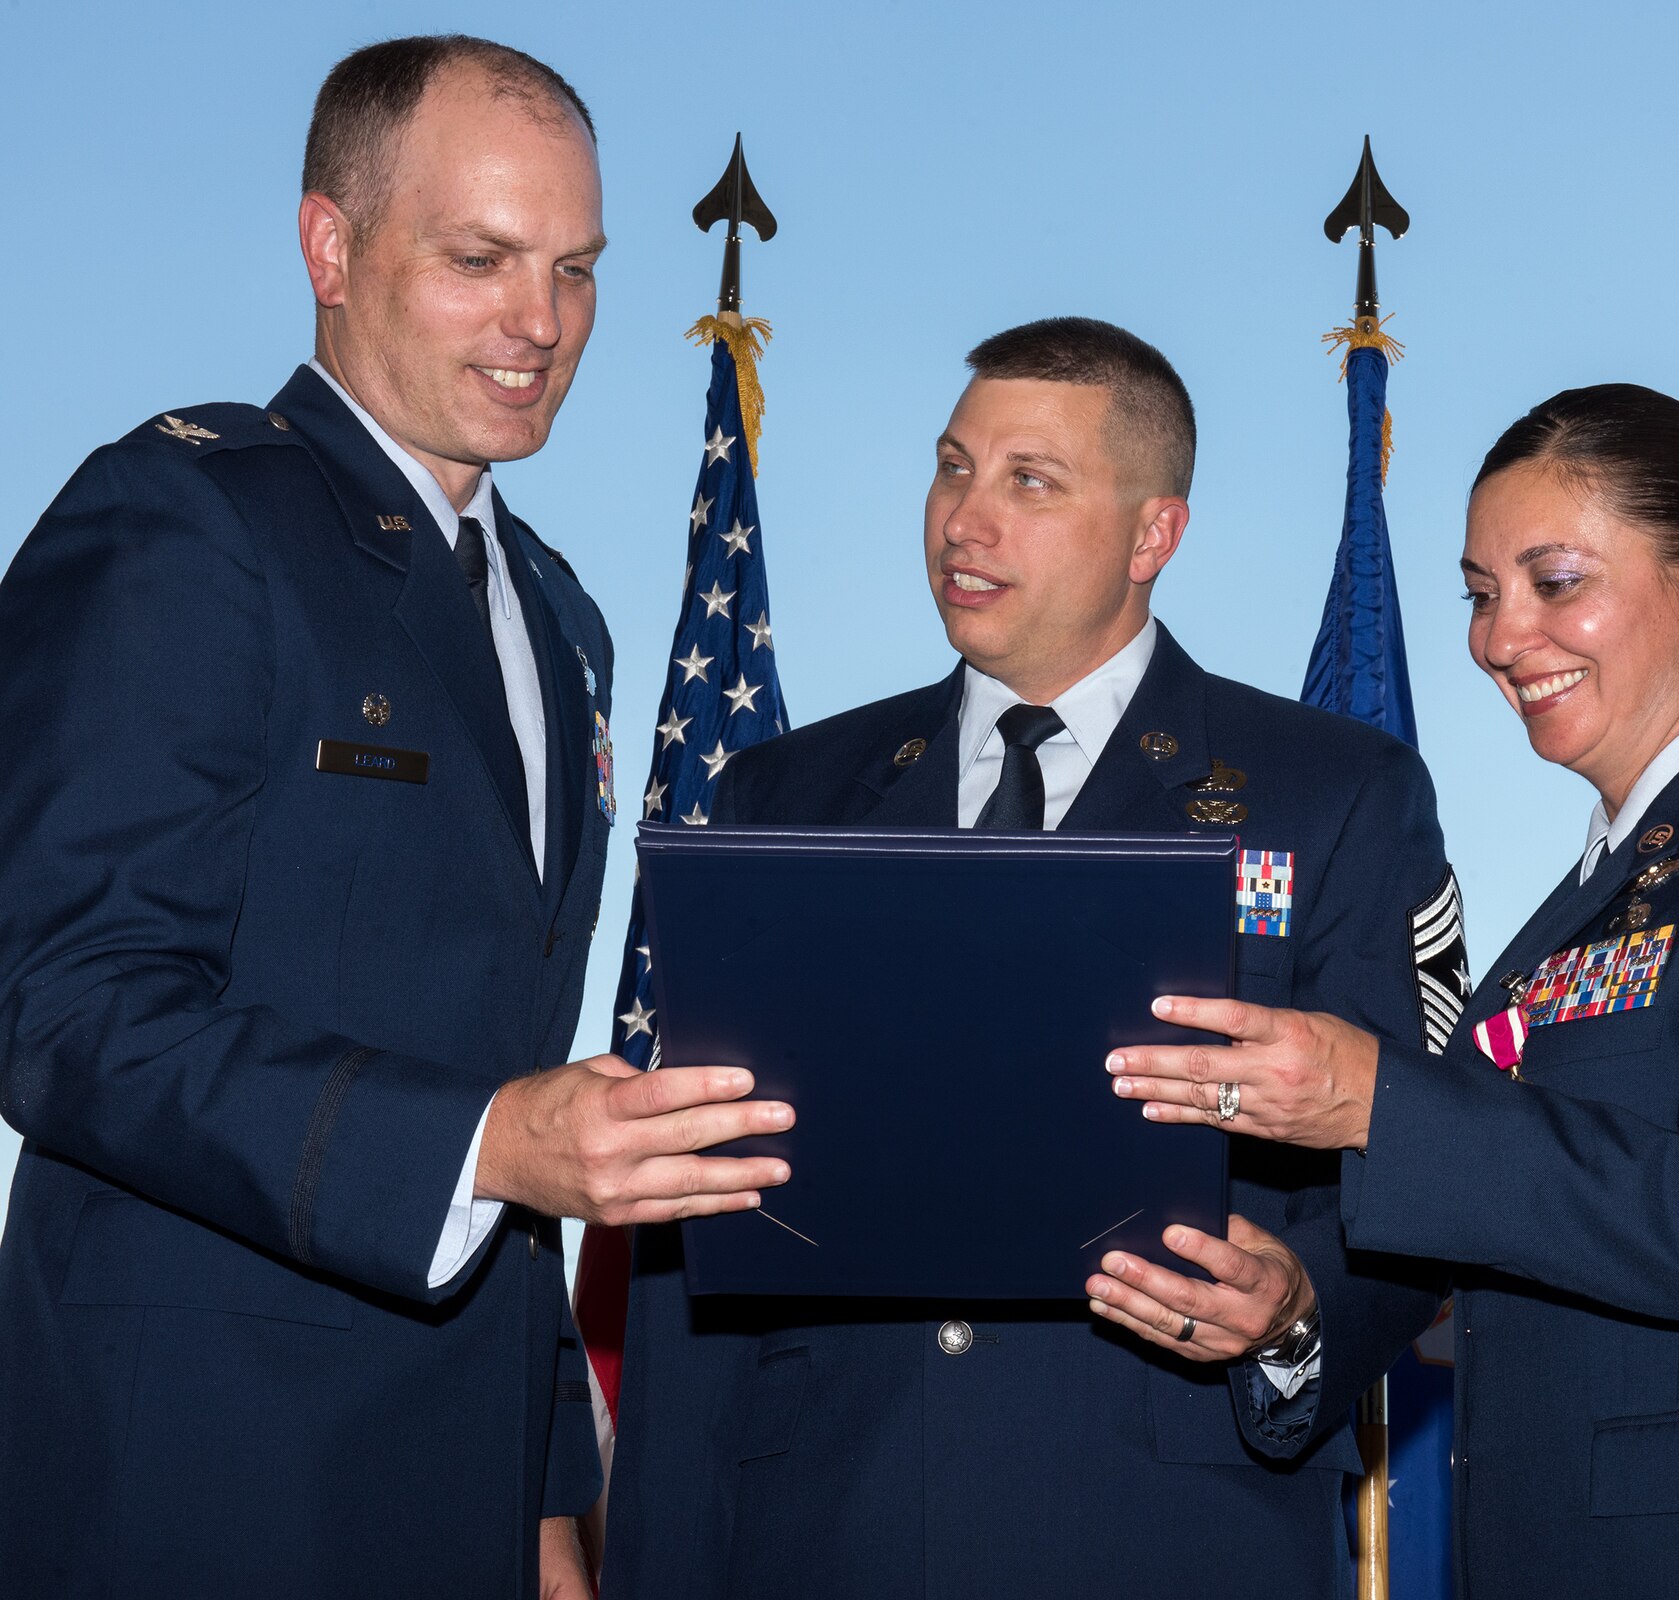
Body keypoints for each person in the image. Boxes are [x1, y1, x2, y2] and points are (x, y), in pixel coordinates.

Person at [0, 35, 788, 1600]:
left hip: (466, 1491)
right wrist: (490, 1141)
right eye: (482, 260)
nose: (542, 326)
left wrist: (552, 1498)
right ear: (331, 247)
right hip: (198, 1478)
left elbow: (512, 1073)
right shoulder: (187, 518)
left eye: (575, 270)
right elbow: (62, 1003)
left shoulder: (561, 618)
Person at [596, 317, 1452, 1599]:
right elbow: (695, 1206)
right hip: (828, 1531)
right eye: (952, 468)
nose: (962, 519)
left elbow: (1417, 1173)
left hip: (1168, 1536)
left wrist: (1292, 1312)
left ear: (1151, 533)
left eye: (1027, 481)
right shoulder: (786, 790)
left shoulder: (1330, 793)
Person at [1111, 383, 1679, 1598]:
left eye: (1554, 580)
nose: (1496, 636)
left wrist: (1380, 1099)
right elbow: (1479, 1226)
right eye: (1479, 593)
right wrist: (1289, 1319)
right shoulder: (1560, 925)